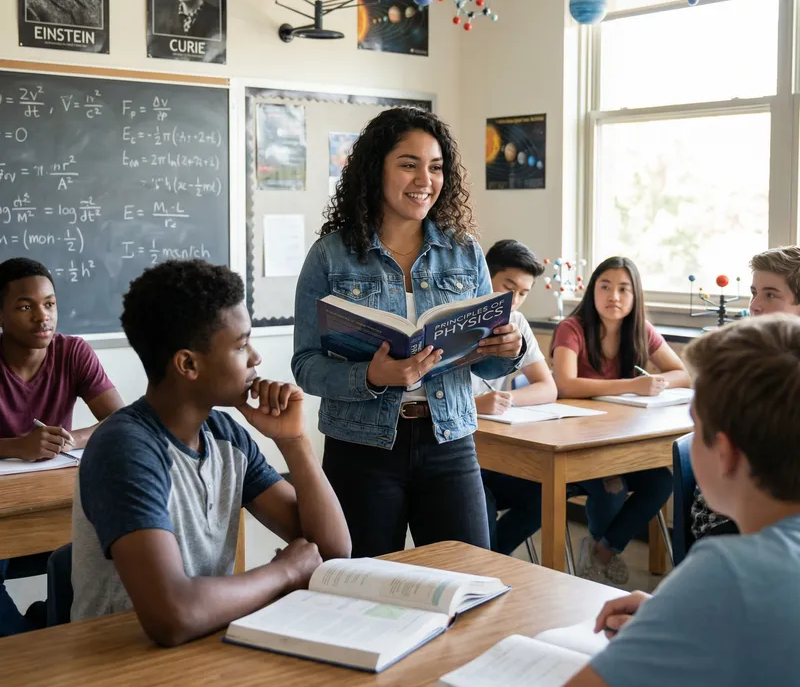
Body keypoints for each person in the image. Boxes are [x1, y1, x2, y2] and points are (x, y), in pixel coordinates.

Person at [71, 260, 350, 646]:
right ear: (188, 364)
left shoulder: (224, 435)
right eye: (240, 345)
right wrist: (284, 573)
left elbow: (332, 551)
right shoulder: (126, 448)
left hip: (208, 646)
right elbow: (173, 615)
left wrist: (294, 442)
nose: (256, 358)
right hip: (123, 663)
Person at [292, 107, 524, 558]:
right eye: (408, 164)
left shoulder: (465, 253)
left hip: (449, 443)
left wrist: (507, 349)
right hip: (361, 448)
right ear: (375, 168)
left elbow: (488, 361)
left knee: (468, 582)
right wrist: (372, 377)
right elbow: (305, 366)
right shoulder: (330, 256)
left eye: (435, 167)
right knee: (363, 591)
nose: (425, 179)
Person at [564, 315, 800, 687]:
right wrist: (675, 616)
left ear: (725, 453)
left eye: (695, 426)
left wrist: (689, 607)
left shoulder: (727, 569)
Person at [0, 257, 123, 637]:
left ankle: (51, 628)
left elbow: (120, 419)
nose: (43, 317)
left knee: (97, 559)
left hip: (60, 493)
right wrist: (17, 445)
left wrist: (75, 437)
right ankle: (30, 644)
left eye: (49, 304)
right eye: (26, 306)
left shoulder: (72, 352)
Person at [551, 256, 690, 584]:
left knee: (662, 482)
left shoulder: (640, 329)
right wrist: (632, 386)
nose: (614, 296)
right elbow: (565, 384)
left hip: (623, 437)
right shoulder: (572, 328)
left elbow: (681, 373)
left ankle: (602, 550)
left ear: (635, 296)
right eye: (605, 286)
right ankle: (598, 554)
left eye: (624, 289)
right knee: (612, 488)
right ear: (592, 291)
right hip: (577, 439)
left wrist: (655, 384)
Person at [691, 244, 800, 542]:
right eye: (754, 292)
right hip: (732, 517)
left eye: (770, 294)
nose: (755, 305)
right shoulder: (747, 364)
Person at [474, 240, 558, 555]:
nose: (514, 301)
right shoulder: (458, 317)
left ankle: (495, 561)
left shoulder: (516, 324)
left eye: (523, 293)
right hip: (456, 451)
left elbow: (547, 387)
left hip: (496, 447)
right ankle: (488, 567)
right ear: (485, 276)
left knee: (544, 495)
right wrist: (474, 406)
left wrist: (504, 399)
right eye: (508, 288)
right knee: (483, 499)